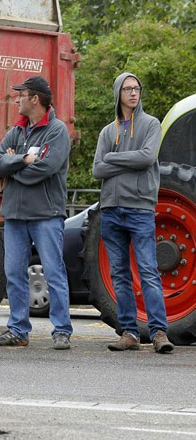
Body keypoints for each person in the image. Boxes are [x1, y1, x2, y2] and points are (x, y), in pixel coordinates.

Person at [92, 72, 174, 354]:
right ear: (118, 93)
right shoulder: (107, 131)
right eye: (127, 89)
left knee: (148, 271)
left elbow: (147, 157)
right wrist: (126, 161)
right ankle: (128, 333)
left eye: (136, 88)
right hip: (111, 210)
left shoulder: (151, 124)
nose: (133, 93)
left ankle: (159, 332)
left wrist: (112, 158)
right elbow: (97, 169)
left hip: (139, 208)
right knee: (119, 274)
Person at [0, 76, 73, 349]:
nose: (17, 99)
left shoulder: (57, 131)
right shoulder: (17, 130)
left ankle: (62, 330)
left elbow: (45, 168)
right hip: (15, 215)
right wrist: (23, 160)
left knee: (54, 272)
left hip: (46, 214)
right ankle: (18, 330)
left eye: (21, 95)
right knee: (14, 273)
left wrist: (13, 169)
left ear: (35, 99)